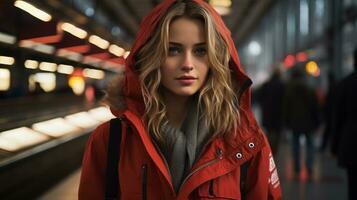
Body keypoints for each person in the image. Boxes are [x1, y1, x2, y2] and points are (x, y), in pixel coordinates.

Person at [78, 1, 282, 199]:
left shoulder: (246, 143)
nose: (187, 64)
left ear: (216, 59)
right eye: (173, 50)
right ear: (152, 56)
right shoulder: (111, 140)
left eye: (201, 50)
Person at [282, 67, 320, 180]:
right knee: (310, 145)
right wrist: (317, 121)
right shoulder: (309, 88)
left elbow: (286, 108)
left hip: (294, 122)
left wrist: (286, 121)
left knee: (295, 146)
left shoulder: (289, 90)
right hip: (309, 122)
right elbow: (315, 107)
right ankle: (309, 166)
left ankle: (297, 168)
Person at [330, 48, 357, 200]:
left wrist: (334, 146)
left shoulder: (345, 84)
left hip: (351, 140)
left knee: (353, 185)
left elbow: (337, 118)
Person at [256, 68, 285, 156]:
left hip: (267, 112)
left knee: (269, 131)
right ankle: (274, 151)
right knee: (277, 132)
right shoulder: (282, 85)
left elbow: (259, 97)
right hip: (278, 113)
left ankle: (269, 149)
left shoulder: (266, 84)